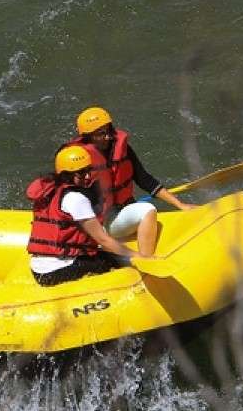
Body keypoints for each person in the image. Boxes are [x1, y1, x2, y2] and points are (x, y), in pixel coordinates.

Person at [68, 106, 195, 257]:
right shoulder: (79, 161)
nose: (108, 136)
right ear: (88, 137)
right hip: (100, 222)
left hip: (122, 210)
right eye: (101, 134)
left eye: (108, 130)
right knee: (148, 209)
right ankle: (146, 260)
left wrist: (180, 205)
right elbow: (72, 199)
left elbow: (144, 179)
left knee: (143, 209)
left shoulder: (122, 149)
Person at [27, 145, 136, 285]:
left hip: (38, 271)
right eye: (81, 173)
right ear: (66, 174)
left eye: (88, 170)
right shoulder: (76, 198)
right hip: (57, 271)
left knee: (104, 256)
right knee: (116, 261)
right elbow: (103, 240)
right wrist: (138, 256)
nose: (88, 176)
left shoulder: (49, 191)